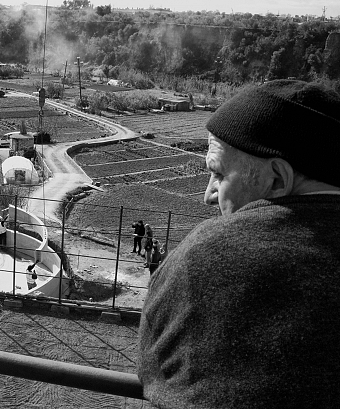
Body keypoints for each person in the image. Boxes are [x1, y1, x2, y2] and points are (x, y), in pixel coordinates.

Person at [138, 80, 340, 409]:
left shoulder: (204, 255)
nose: (208, 195)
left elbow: (152, 367)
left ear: (276, 179)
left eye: (218, 174)